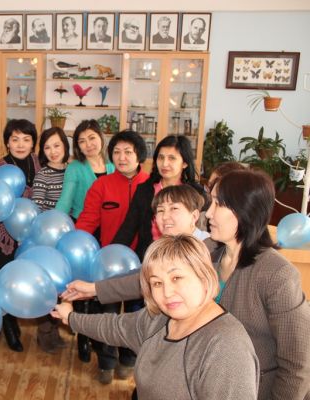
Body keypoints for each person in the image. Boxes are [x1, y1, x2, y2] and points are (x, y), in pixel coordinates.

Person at [62, 169, 310, 400]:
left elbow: (297, 364)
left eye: (218, 204)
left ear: (245, 209)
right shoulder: (208, 250)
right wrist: (95, 289)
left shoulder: (277, 275)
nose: (208, 213)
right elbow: (151, 278)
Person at [53, 235, 260, 400]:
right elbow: (114, 327)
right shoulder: (160, 319)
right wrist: (70, 317)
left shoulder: (226, 347)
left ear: (204, 276)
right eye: (157, 283)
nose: (167, 292)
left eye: (176, 278)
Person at [73, 130, 148, 383]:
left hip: (142, 264)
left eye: (128, 152)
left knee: (136, 314)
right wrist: (75, 244)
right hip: (108, 264)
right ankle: (106, 361)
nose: (122, 157)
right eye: (116, 152)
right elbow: (87, 220)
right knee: (107, 314)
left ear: (140, 155)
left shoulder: (150, 185)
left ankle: (129, 357)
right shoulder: (101, 185)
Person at [0, 119, 41, 353]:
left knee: (20, 280)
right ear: (7, 143)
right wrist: (11, 229)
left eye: (26, 139)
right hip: (1, 237)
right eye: (15, 139)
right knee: (4, 282)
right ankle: (8, 326)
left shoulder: (37, 163)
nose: (20, 144)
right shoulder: (0, 168)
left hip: (28, 236)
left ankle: (14, 318)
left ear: (33, 143)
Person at [113, 135, 204, 261]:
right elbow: (128, 229)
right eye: (161, 158)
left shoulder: (196, 193)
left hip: (185, 258)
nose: (164, 163)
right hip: (149, 258)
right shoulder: (144, 190)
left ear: (184, 163)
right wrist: (112, 253)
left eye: (171, 158)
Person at [30, 127, 70, 354]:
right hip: (48, 239)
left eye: (57, 145)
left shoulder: (73, 170)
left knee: (64, 288)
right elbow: (37, 209)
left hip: (70, 239)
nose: (53, 151)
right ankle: (45, 333)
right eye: (47, 147)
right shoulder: (43, 174)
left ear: (65, 146)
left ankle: (56, 330)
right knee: (49, 289)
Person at [55, 119, 115, 220]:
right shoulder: (74, 168)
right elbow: (65, 201)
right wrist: (55, 222)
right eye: (82, 141)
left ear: (101, 137)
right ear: (78, 147)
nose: (88, 145)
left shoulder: (114, 165)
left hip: (110, 222)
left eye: (92, 138)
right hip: (84, 222)